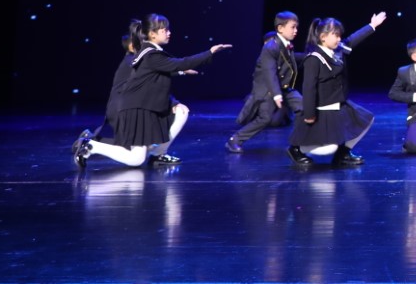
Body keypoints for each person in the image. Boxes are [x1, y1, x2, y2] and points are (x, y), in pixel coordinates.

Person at [73, 15, 229, 168]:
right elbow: (180, 63)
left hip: (145, 107)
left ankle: (157, 154)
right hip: (136, 110)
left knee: (181, 112)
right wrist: (210, 52)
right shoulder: (150, 54)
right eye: (164, 30)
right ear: (153, 34)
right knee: (136, 159)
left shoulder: (150, 52)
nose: (169, 33)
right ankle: (91, 145)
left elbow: (163, 71)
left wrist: (180, 73)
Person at [288, 12, 386, 167]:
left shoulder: (337, 50)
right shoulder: (314, 58)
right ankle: (296, 149)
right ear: (323, 37)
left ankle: (343, 154)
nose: (339, 39)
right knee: (329, 148)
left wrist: (372, 25)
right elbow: (308, 89)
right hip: (323, 110)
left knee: (366, 119)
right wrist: (309, 114)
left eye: (340, 35)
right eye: (336, 35)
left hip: (340, 105)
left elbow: (352, 40)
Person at [228, 11, 302, 153]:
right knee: (265, 118)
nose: (296, 30)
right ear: (280, 28)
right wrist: (276, 94)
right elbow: (270, 72)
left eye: (296, 27)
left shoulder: (286, 45)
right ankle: (235, 140)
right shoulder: (270, 47)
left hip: (284, 88)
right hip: (268, 90)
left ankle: (299, 144)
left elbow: (294, 60)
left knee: (304, 108)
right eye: (293, 27)